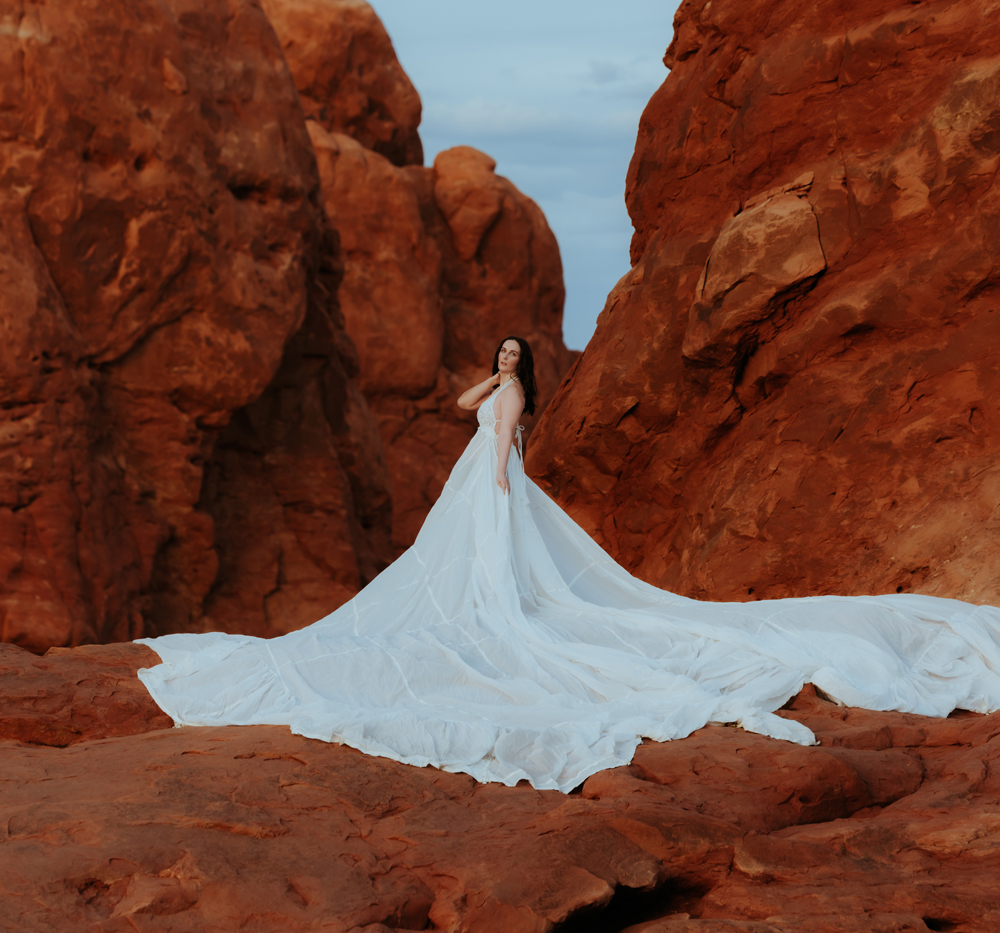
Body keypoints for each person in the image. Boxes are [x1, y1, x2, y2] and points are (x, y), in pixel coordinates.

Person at [138, 335, 1000, 793]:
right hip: (474, 479)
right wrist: (488, 377)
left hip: (493, 483)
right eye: (504, 355)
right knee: (454, 579)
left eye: (515, 358)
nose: (508, 365)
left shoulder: (514, 399)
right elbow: (461, 406)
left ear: (526, 369)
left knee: (498, 592)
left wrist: (505, 488)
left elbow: (502, 436)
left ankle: (499, 615)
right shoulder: (497, 382)